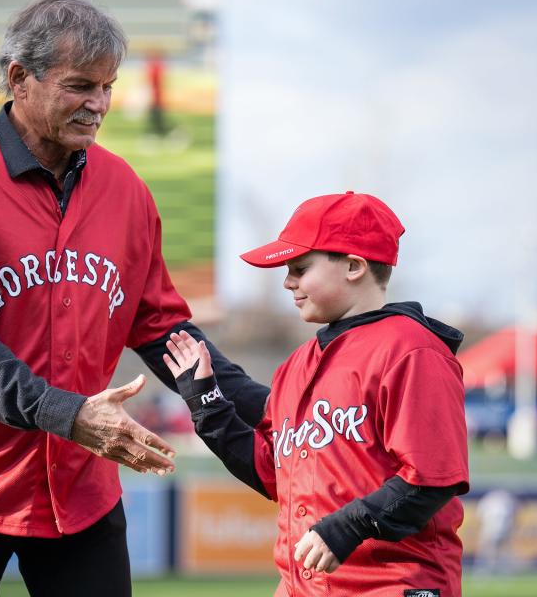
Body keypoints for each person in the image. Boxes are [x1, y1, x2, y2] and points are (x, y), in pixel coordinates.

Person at [0, 0, 267, 597]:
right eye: (80, 86)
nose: (100, 105)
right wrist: (71, 415)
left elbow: (164, 331)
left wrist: (266, 407)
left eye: (109, 87)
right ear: (18, 79)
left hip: (79, 488)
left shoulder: (126, 190)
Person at [164, 191, 470, 596]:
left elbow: (431, 478)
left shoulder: (411, 349)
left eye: (301, 267)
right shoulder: (298, 364)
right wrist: (207, 405)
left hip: (392, 583)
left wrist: (347, 527)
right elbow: (275, 475)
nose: (288, 281)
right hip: (302, 587)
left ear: (354, 266)